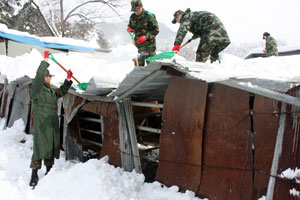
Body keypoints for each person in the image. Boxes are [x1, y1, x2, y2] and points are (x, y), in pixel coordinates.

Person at [29, 50, 73, 187]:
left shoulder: (52, 92)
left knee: (51, 148)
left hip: (52, 125)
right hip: (42, 125)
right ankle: (34, 175)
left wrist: (68, 79)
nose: (50, 79)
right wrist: (46, 61)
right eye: (49, 77)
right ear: (44, 78)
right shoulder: (36, 90)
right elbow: (38, 76)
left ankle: (49, 172)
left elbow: (63, 91)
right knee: (39, 148)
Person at [127, 0, 159, 66]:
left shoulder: (149, 16)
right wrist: (130, 29)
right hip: (138, 48)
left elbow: (156, 30)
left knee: (151, 69)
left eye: (137, 9)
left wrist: (145, 37)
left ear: (141, 6)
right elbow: (130, 26)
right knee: (138, 70)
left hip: (149, 48)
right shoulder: (132, 17)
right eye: (134, 10)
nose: (136, 12)